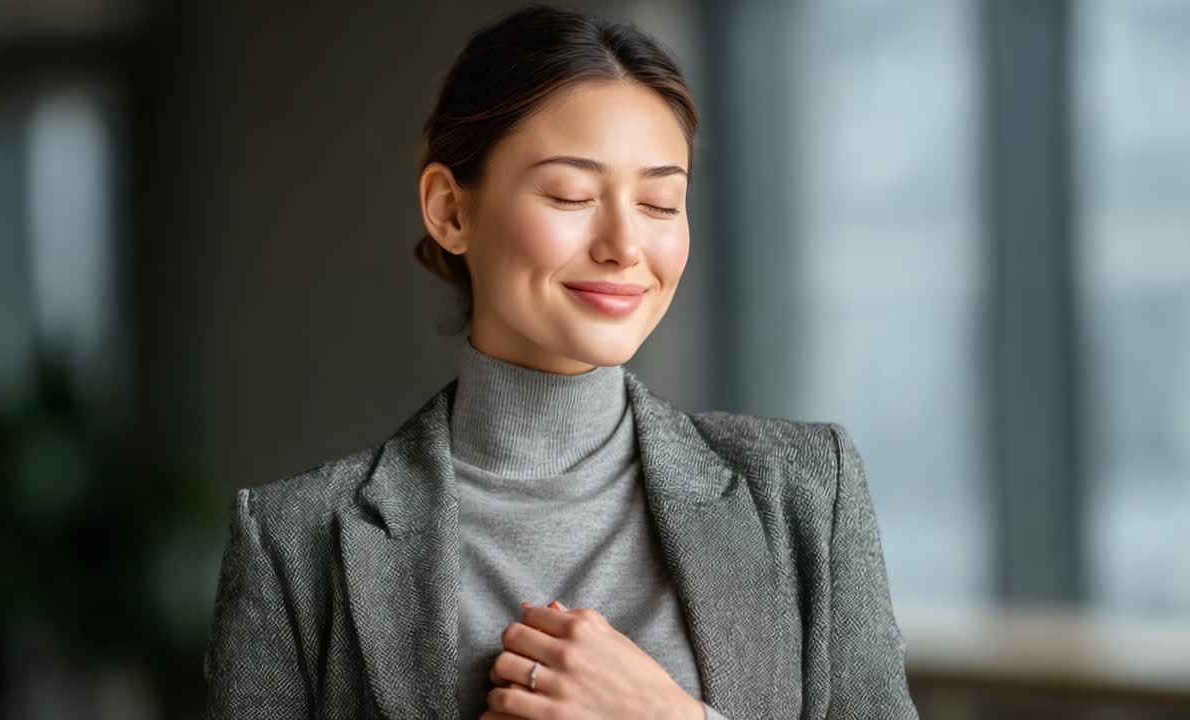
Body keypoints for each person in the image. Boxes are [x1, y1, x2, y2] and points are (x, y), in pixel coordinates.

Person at [202, 4, 918, 719]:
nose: (623, 244)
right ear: (450, 211)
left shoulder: (803, 492)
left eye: (661, 203)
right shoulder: (296, 544)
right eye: (571, 194)